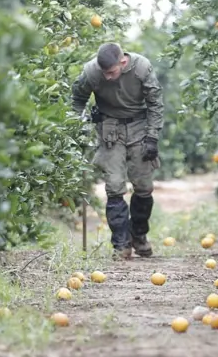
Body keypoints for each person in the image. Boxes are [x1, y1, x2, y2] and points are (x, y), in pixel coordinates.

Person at [70, 43, 164, 259]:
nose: (108, 77)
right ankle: (121, 245)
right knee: (114, 187)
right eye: (105, 73)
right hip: (109, 129)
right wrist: (79, 126)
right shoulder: (92, 72)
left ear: (123, 62)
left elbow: (155, 103)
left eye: (111, 72)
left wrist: (152, 136)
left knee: (144, 187)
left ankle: (138, 236)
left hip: (139, 127)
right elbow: (77, 100)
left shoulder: (141, 68)